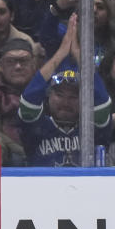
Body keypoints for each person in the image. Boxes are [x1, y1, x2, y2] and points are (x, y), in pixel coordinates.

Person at [18, 14, 112, 166]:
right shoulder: (37, 127)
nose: (66, 102)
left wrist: (80, 56)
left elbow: (102, 105)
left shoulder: (93, 128)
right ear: (48, 96)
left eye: (74, 96)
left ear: (84, 101)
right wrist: (61, 53)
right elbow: (28, 102)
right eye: (59, 94)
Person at [0, 37, 38, 149]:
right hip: (5, 153)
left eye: (24, 60)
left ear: (33, 64)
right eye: (11, 61)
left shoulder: (42, 87)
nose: (18, 66)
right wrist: (20, 152)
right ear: (1, 66)